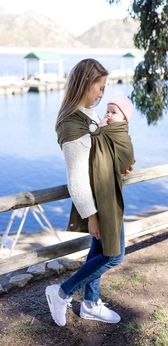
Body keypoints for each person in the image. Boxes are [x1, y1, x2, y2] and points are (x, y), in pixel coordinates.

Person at [45, 58, 135, 327]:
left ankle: (90, 303)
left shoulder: (91, 116)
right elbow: (76, 179)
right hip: (97, 203)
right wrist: (91, 215)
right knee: (113, 256)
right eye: (100, 87)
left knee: (99, 253)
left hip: (107, 194)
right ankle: (61, 293)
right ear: (85, 83)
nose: (101, 93)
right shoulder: (72, 124)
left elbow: (102, 155)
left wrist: (122, 167)